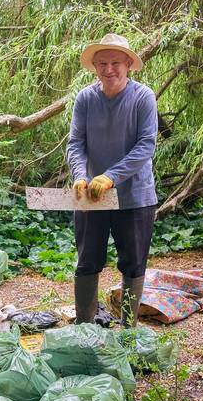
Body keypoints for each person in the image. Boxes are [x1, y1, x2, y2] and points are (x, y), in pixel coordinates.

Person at [66, 33, 158, 327]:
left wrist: (111, 176)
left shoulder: (143, 97)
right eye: (102, 63)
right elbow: (75, 143)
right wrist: (81, 175)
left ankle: (128, 330)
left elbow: (146, 145)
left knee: (133, 264)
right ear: (94, 67)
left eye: (116, 62)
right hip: (91, 197)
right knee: (87, 261)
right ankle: (84, 327)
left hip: (135, 197)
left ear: (129, 64)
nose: (109, 69)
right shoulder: (85, 99)